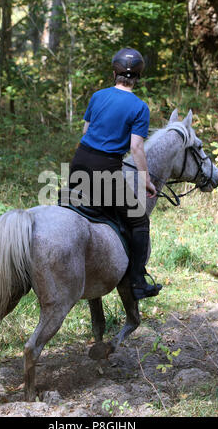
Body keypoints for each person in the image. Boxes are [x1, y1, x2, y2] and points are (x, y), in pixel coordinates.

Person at [69, 47, 162, 300]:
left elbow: (86, 130)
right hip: (105, 170)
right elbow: (136, 147)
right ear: (138, 77)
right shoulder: (140, 107)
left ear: (114, 73)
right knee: (139, 220)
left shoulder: (98, 96)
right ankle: (137, 282)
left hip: (78, 164)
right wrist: (146, 181)